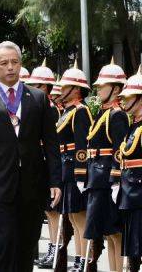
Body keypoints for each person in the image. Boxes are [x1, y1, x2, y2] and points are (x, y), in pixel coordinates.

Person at [0, 41, 62, 272]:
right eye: (4, 63)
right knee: (5, 243)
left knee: (28, 245)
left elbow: (51, 143)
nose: (10, 67)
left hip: (32, 184)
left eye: (15, 62)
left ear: (20, 65)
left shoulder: (38, 98)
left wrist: (55, 181)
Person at [84, 58, 128, 272]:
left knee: (115, 234)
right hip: (98, 178)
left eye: (104, 85)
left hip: (108, 181)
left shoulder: (117, 116)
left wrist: (116, 181)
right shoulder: (103, 113)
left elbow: (120, 151)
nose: (99, 88)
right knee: (108, 235)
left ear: (116, 88)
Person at [56, 61, 93, 271]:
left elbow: (81, 145)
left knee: (80, 218)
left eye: (66, 86)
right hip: (64, 166)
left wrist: (80, 174)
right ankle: (78, 258)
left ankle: (83, 260)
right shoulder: (66, 111)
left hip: (74, 168)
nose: (61, 89)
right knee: (71, 217)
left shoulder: (80, 111)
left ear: (76, 89)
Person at [25, 59, 61, 269]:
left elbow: (52, 143)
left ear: (46, 87)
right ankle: (45, 251)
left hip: (49, 164)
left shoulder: (51, 109)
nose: (34, 88)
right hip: (39, 165)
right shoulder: (37, 107)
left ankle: (54, 251)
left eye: (38, 85)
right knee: (46, 212)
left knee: (53, 213)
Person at [118, 68, 142, 272]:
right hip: (130, 192)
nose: (124, 101)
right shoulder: (133, 126)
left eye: (129, 97)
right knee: (133, 247)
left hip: (139, 193)